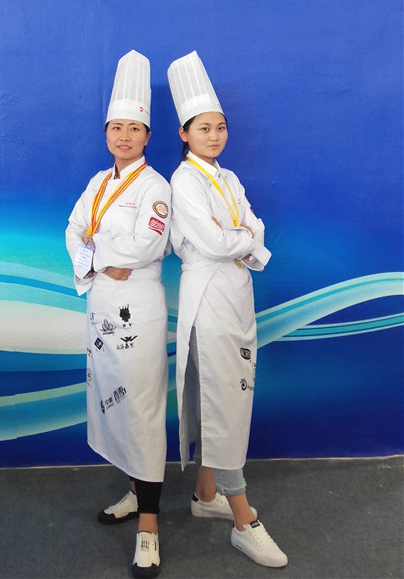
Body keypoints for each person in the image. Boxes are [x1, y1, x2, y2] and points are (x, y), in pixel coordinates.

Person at [167, 51, 288, 569]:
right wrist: (241, 239)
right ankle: (243, 521)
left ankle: (205, 493)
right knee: (222, 402)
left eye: (220, 127)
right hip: (208, 299)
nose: (214, 135)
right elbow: (218, 242)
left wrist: (238, 238)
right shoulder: (184, 181)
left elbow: (254, 229)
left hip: (236, 292)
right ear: (184, 134)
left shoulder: (229, 177)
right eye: (203, 128)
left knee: (225, 395)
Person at [66, 50, 171, 579]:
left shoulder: (156, 187)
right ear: (106, 133)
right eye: (116, 128)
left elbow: (145, 247)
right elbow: (73, 230)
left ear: (148, 135)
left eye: (134, 128)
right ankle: (134, 491)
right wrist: (103, 258)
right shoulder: (97, 183)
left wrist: (98, 252)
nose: (124, 136)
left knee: (144, 413)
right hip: (102, 307)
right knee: (117, 409)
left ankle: (149, 527)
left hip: (139, 312)